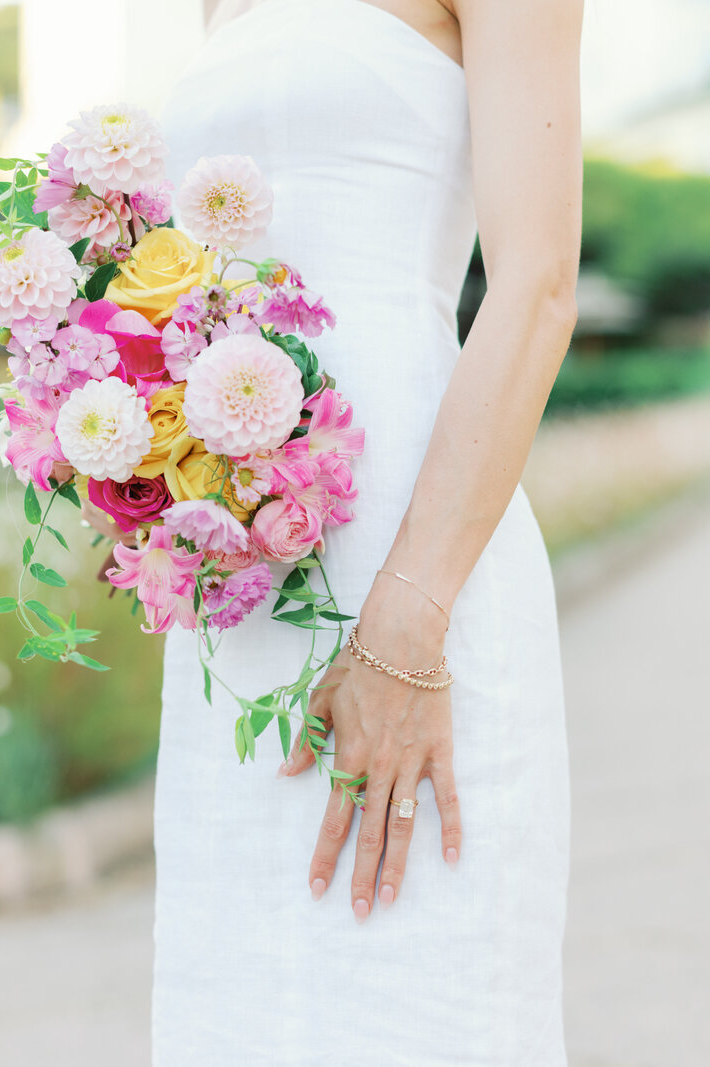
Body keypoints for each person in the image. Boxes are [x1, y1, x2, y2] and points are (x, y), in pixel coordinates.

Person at [145, 0, 583, 1062]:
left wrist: (408, 614)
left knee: (419, 983)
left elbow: (535, 288)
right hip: (244, 580)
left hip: (417, 540)